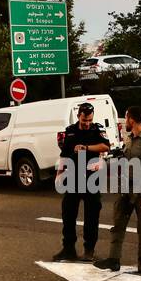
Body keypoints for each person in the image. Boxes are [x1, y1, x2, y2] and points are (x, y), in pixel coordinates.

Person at [96, 106, 141, 274]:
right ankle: (114, 259)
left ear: (132, 119)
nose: (124, 121)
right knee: (118, 225)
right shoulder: (129, 139)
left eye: (125, 118)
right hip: (126, 189)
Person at [53, 102, 111, 262]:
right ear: (79, 116)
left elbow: (106, 146)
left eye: (89, 120)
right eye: (84, 120)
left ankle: (89, 250)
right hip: (73, 178)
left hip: (92, 178)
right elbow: (64, 155)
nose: (87, 123)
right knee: (68, 215)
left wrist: (86, 148)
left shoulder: (97, 129)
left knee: (91, 217)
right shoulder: (70, 131)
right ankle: (68, 249)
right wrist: (59, 174)